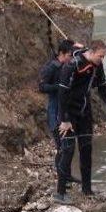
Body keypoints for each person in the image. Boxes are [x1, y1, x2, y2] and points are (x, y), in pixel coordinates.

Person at [56, 40, 106, 203]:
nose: (102, 59)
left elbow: (102, 88)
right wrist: (64, 120)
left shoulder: (97, 66)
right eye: (101, 56)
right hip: (68, 113)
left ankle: (87, 189)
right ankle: (60, 193)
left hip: (85, 113)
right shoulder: (72, 65)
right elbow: (61, 94)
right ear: (92, 52)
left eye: (104, 57)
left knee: (86, 150)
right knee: (68, 151)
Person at [38, 39, 76, 177]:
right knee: (62, 147)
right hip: (55, 112)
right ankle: (62, 179)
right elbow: (42, 87)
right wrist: (59, 87)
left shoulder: (69, 66)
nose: (71, 59)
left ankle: (67, 176)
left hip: (66, 112)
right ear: (61, 53)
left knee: (69, 146)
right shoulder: (52, 67)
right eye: (69, 56)